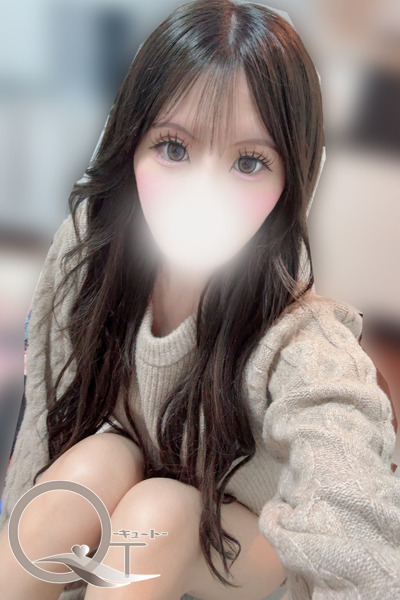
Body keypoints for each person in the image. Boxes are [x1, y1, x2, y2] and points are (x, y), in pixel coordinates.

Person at [0, 1, 399, 599]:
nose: (203, 191)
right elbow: (41, 434)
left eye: (249, 161)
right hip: (130, 516)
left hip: (253, 550)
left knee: (157, 514)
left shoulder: (303, 342)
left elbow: (356, 528)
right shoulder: (88, 256)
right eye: (174, 148)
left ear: (292, 182)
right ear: (130, 144)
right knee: (93, 465)